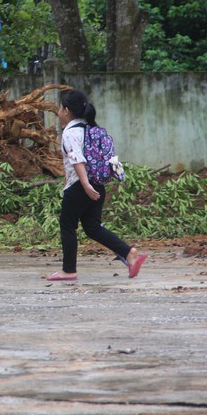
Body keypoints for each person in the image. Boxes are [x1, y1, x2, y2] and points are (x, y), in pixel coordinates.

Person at [49, 89, 147, 281]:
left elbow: (78, 160)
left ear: (66, 110)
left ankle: (69, 270)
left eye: (60, 107)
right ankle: (128, 253)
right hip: (98, 183)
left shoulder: (70, 133)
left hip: (81, 185)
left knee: (67, 225)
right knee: (92, 227)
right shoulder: (89, 129)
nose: (59, 111)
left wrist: (84, 185)